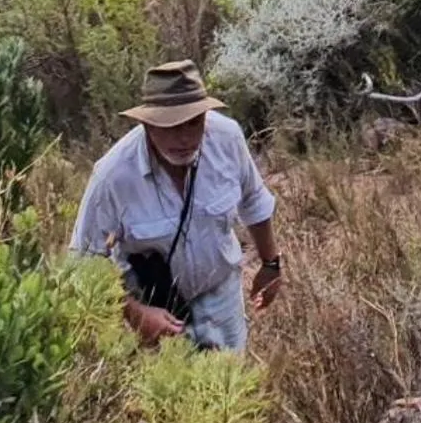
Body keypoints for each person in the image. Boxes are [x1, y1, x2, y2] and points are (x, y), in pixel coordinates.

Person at [69, 59, 283, 351]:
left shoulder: (227, 138)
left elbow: (254, 200)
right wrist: (135, 314)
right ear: (147, 124)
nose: (182, 138)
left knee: (228, 390)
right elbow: (84, 260)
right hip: (154, 311)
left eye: (193, 123)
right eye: (168, 126)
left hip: (222, 297)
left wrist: (271, 264)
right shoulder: (112, 175)